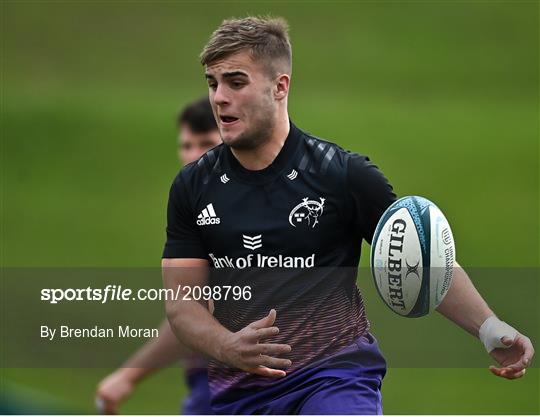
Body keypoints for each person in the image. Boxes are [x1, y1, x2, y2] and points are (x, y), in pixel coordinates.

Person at [162, 17, 535, 415]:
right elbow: (183, 306)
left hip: (334, 377)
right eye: (212, 82)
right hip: (239, 394)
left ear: (280, 86)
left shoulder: (341, 175)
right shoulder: (193, 187)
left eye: (236, 82)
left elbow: (421, 259)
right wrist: (226, 346)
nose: (219, 97)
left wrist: (491, 328)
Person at [95, 97, 220, 415]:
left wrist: (128, 376)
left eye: (205, 143)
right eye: (186, 145)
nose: (193, 156)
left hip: (232, 384)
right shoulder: (193, 207)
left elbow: (192, 316)